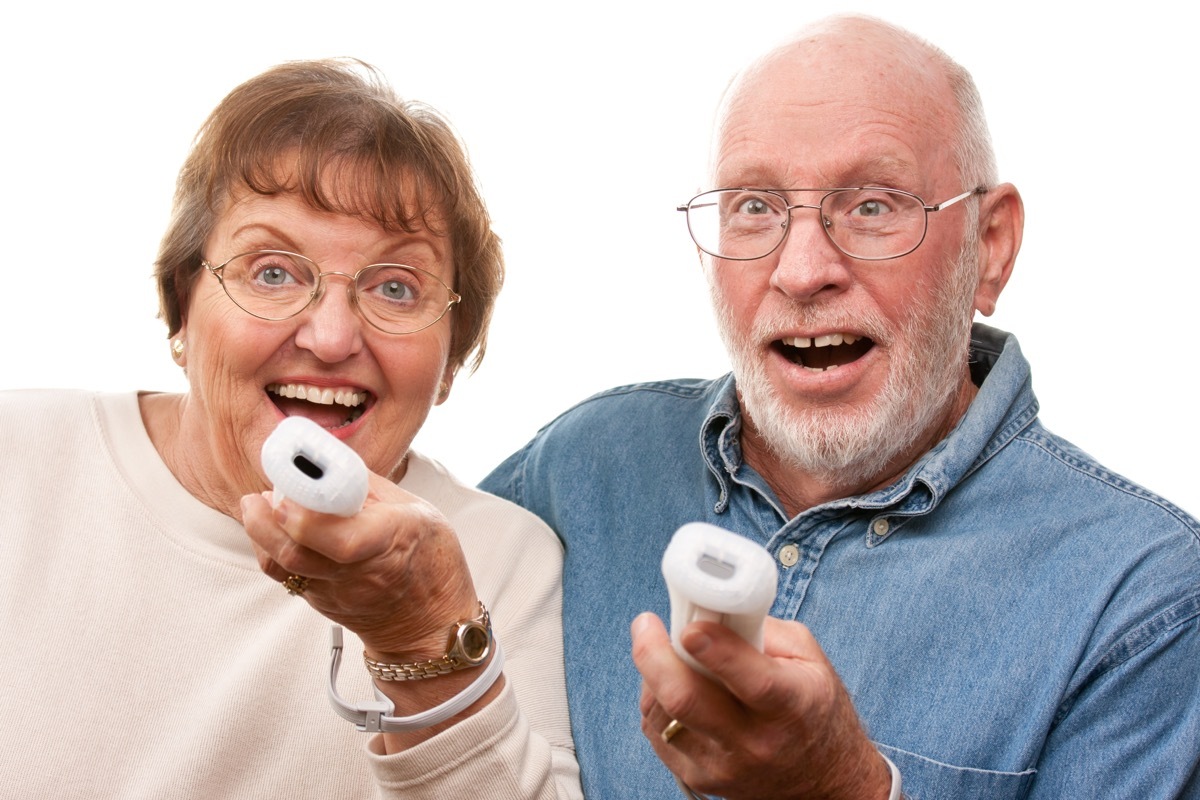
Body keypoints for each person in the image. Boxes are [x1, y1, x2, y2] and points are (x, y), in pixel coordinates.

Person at [481, 14, 1200, 800]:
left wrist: (842, 789)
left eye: (871, 205)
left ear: (989, 246)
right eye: (754, 206)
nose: (801, 270)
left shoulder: (1146, 597)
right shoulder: (582, 469)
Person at [0, 59, 581, 799]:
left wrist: (427, 641)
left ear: (449, 359)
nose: (333, 336)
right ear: (185, 304)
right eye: (272, 272)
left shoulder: (502, 562)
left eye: (396, 287)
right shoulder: (16, 461)